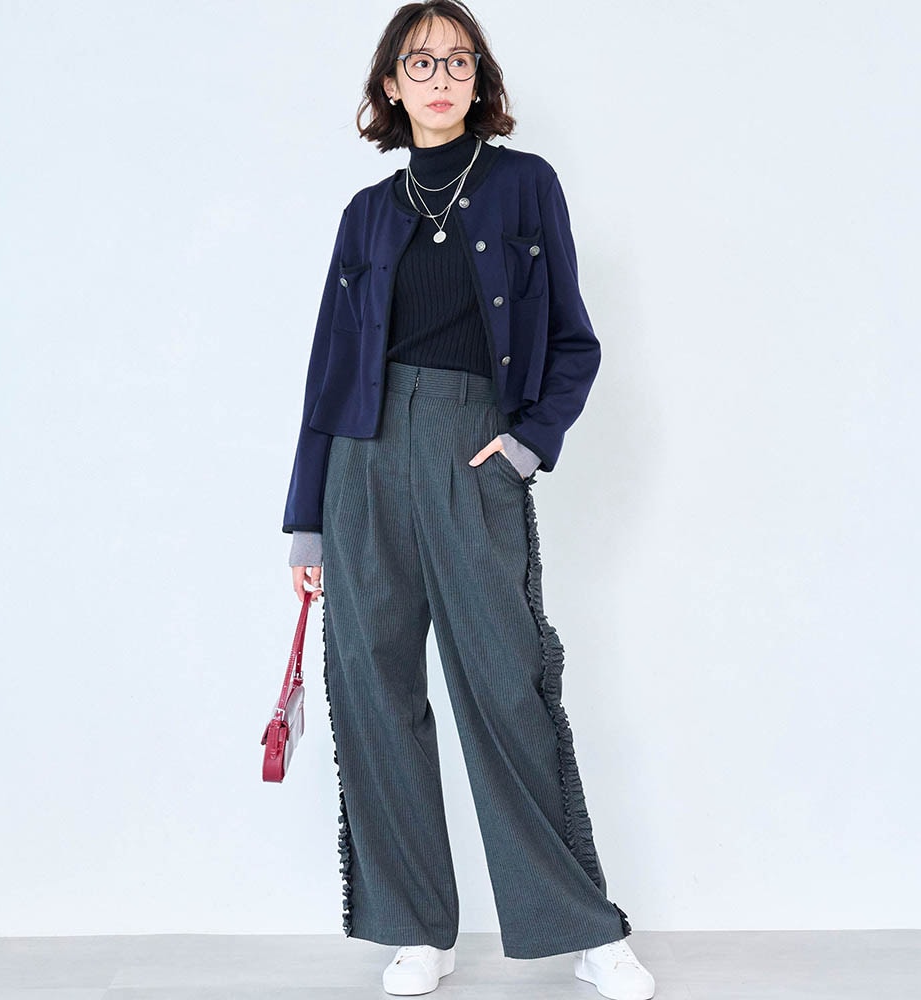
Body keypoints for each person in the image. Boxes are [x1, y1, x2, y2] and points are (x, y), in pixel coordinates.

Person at [282, 3, 655, 998]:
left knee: (505, 687)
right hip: (362, 461)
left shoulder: (524, 186)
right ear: (391, 85)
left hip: (471, 447)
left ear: (480, 79)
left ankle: (584, 927)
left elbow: (572, 338)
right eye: (420, 62)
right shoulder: (367, 213)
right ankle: (416, 928)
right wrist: (308, 519)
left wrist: (525, 445)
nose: (441, 77)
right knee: (375, 693)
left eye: (458, 60)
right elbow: (328, 370)